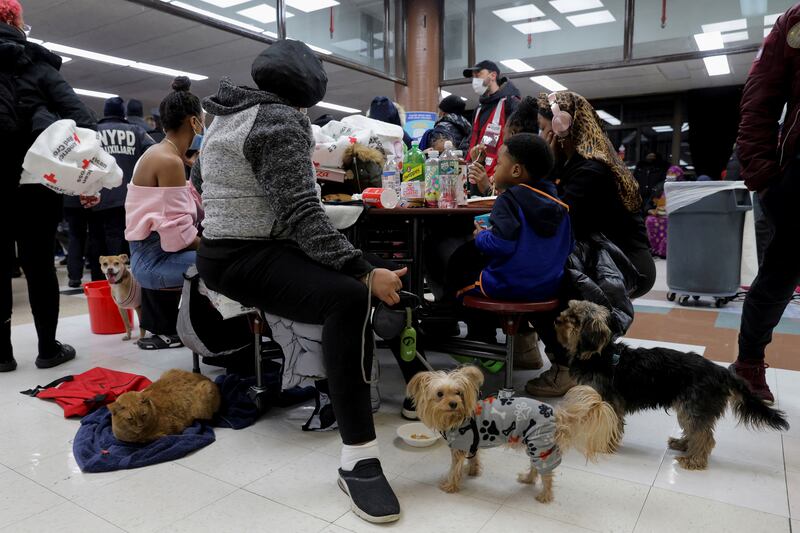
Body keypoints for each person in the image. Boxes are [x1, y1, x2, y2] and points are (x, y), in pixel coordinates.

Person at [194, 41, 403, 523]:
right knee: (349, 298)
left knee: (362, 273)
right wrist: (363, 271)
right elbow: (302, 213)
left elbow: (205, 183)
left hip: (229, 247)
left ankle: (360, 392)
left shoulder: (228, 112)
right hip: (242, 256)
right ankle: (359, 459)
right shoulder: (282, 120)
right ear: (310, 87)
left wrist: (359, 263)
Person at [524, 90, 655, 397]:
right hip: (603, 255)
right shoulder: (575, 163)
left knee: (543, 278)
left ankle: (566, 368)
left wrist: (541, 166)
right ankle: (531, 349)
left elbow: (557, 219)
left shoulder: (590, 169)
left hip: (623, 264)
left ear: (561, 127)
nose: (541, 136)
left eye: (544, 129)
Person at [0, 0, 96, 372]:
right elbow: (84, 118)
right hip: (36, 183)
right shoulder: (39, 66)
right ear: (17, 20)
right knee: (39, 264)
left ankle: (3, 355)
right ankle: (47, 349)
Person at [730, 3, 800, 404]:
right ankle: (749, 363)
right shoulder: (793, 22)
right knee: (779, 274)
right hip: (795, 177)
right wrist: (764, 178)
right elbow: (760, 100)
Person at [124, 77, 203, 350]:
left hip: (147, 257)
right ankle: (212, 338)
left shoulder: (161, 154)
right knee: (229, 263)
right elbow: (177, 238)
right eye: (202, 120)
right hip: (154, 263)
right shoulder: (168, 161)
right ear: (194, 122)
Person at [448, 133, 572, 302]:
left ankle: (473, 328)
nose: (495, 169)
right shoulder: (560, 206)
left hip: (509, 286)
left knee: (458, 273)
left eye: (498, 164)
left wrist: (481, 236)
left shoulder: (509, 200)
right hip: (550, 289)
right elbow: (569, 247)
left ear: (515, 170)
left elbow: (501, 245)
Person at [86, 97, 154, 266]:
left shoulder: (94, 132)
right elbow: (154, 151)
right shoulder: (136, 131)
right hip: (131, 196)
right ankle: (130, 281)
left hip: (100, 196)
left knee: (100, 239)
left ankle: (104, 282)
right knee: (133, 237)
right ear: (122, 113)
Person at [463, 60, 521, 186]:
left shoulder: (510, 103)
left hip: (498, 179)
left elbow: (517, 140)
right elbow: (472, 140)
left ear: (493, 76)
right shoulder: (479, 108)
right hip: (475, 176)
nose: (475, 80)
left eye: (478, 74)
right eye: (473, 77)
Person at [468, 95, 538, 197]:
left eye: (499, 164)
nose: (495, 169)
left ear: (512, 134)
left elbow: (508, 207)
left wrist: (487, 189)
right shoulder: (533, 164)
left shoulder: (511, 162)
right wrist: (479, 165)